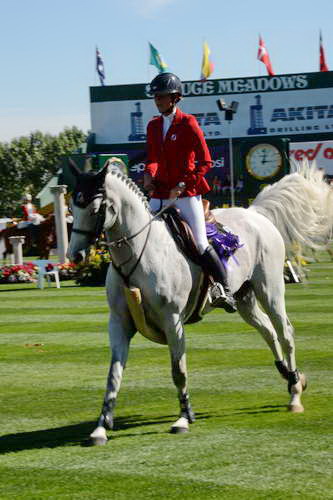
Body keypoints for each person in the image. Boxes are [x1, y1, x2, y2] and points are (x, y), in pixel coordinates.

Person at [144, 72, 236, 313]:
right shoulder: (153, 125)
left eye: (161, 96)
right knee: (142, 233)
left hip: (187, 193)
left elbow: (205, 161)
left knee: (200, 242)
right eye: (155, 96)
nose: (157, 100)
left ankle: (223, 289)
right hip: (160, 193)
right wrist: (149, 174)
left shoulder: (188, 123)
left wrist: (184, 184)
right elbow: (153, 158)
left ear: (175, 98)